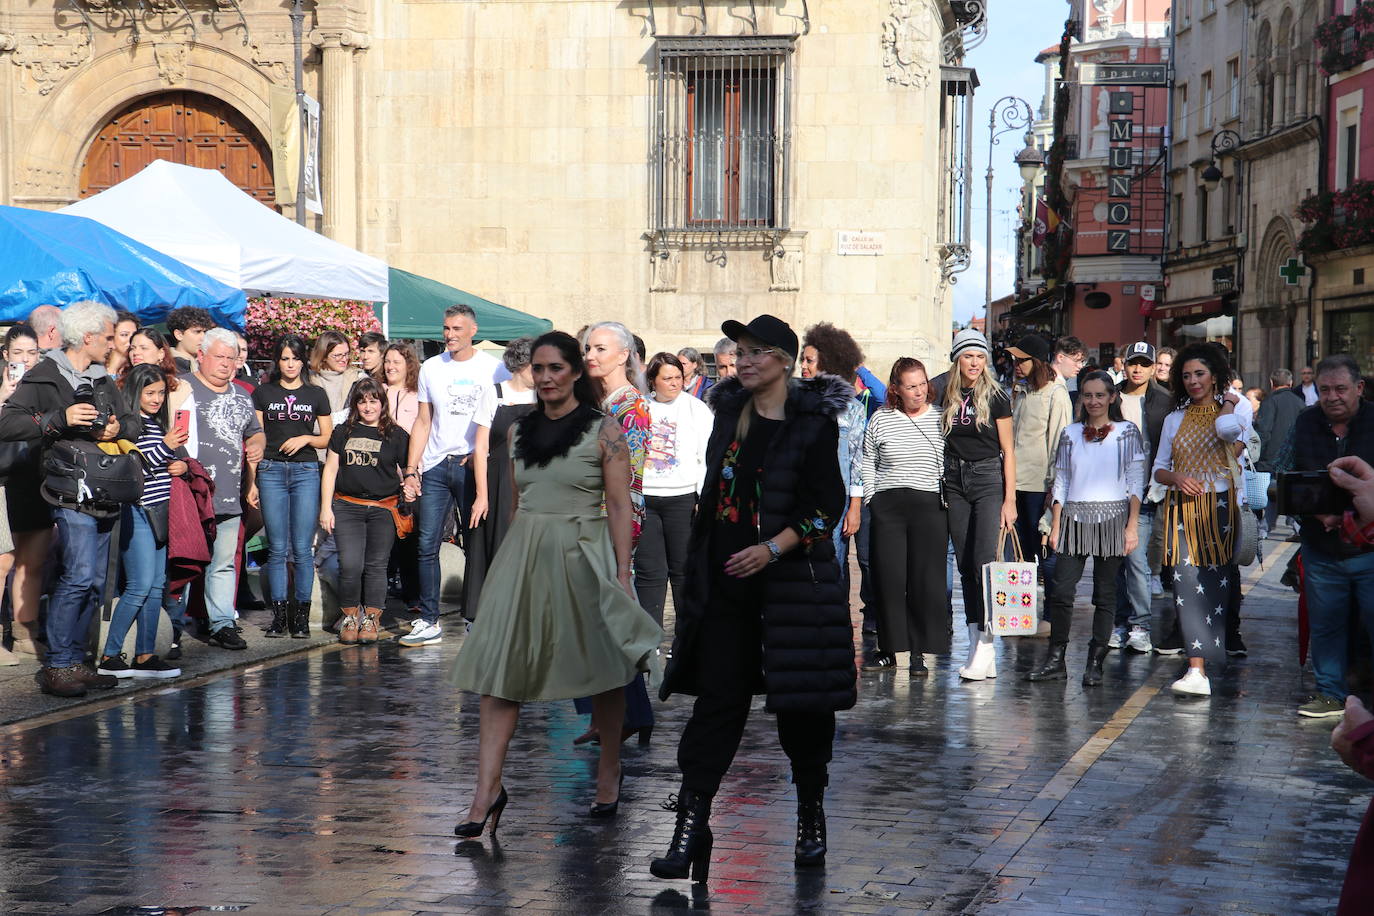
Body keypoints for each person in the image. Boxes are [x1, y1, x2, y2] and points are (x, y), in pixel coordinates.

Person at [654, 314, 852, 880]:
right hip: (727, 582)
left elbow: (825, 506)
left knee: (803, 709)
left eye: (758, 351)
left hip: (794, 585)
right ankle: (690, 827)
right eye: (740, 350)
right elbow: (716, 492)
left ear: (786, 361)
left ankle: (810, 811)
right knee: (717, 703)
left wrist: (773, 547)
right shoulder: (726, 414)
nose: (744, 360)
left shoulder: (814, 423)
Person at [448, 331, 661, 835]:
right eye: (538, 369)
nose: (545, 378)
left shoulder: (605, 429)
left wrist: (623, 572)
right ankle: (487, 792)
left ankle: (609, 771)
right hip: (524, 555)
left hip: (585, 553)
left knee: (602, 668)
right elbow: (520, 502)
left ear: (574, 372)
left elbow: (618, 504)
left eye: (556, 368)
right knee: (498, 673)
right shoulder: (517, 431)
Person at [0, 301, 139, 696]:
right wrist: (57, 419)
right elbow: (8, 423)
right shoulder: (45, 375)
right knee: (78, 574)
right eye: (110, 337)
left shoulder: (103, 378)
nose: (115, 345)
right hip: (65, 489)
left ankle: (76, 660)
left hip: (104, 488)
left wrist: (115, 427)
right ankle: (57, 665)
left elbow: (133, 420)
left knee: (95, 580)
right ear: (89, 337)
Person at [1028, 372, 1145, 686]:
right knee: (1062, 591)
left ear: (1111, 397)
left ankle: (1095, 662)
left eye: (1100, 395)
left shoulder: (1126, 432)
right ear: (1081, 398)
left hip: (1113, 516)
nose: (1093, 401)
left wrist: (1131, 526)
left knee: (1105, 595)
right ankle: (1056, 660)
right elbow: (1062, 481)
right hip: (1073, 518)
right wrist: (1054, 523)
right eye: (1088, 395)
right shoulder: (1070, 433)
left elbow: (1136, 482)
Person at [1151, 342, 1252, 697]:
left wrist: (1227, 400)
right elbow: (1159, 469)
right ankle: (1196, 669)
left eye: (1200, 374)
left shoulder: (1236, 414)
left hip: (1220, 508)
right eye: (1186, 375)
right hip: (1181, 508)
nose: (1193, 381)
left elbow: (1227, 432)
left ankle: (1208, 659)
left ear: (1215, 377)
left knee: (1215, 584)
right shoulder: (1173, 419)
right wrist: (1177, 478)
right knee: (1184, 585)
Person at [1276, 355, 1374, 717]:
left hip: (1370, 548)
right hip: (1321, 548)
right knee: (1326, 625)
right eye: (1324, 390)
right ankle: (1329, 694)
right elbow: (1281, 477)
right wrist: (1316, 511)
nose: (1332, 397)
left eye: (1340, 389)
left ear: (1359, 388)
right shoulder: (1305, 422)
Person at [401, 304, 503, 647]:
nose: (449, 335)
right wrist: (412, 469)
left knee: (477, 544)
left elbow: (503, 418)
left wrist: (483, 453)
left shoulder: (493, 368)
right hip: (435, 464)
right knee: (426, 543)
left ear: (473, 330)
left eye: (457, 329)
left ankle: (477, 616)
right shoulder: (431, 367)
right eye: (446, 328)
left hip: (472, 465)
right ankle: (429, 619)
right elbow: (423, 421)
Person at [575, 321, 654, 745]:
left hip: (613, 518)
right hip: (594, 516)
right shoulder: (601, 403)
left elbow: (626, 476)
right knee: (599, 622)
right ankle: (621, 713)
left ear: (624, 354)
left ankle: (623, 713)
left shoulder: (631, 406)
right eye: (588, 347)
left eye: (600, 348)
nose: (591, 354)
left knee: (607, 621)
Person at [96, 363, 186, 679]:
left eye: (161, 392)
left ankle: (145, 655)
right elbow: (138, 467)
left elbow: (163, 463)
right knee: (139, 585)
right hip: (137, 510)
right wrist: (167, 447)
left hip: (160, 511)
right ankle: (109, 656)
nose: (156, 398)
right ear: (136, 392)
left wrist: (181, 466)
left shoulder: (159, 424)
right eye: (150, 392)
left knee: (156, 585)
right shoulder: (130, 425)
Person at [861, 357, 948, 674]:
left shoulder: (940, 418)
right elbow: (868, 460)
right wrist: (872, 498)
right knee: (889, 578)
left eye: (923, 384)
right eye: (911, 387)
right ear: (896, 389)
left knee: (927, 581)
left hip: (929, 505)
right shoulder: (881, 420)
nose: (919, 392)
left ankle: (920, 653)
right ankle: (887, 649)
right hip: (888, 506)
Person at [182, 328, 266, 650]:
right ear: (201, 356)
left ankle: (221, 623)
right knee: (185, 559)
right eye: (220, 356)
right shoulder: (182, 388)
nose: (226, 364)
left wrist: (256, 445)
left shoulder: (242, 394)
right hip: (191, 494)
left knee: (223, 562)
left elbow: (255, 432)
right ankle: (173, 625)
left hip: (230, 495)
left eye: (231, 358)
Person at [942, 329, 1015, 681]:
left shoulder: (998, 395)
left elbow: (1008, 451)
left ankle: (986, 645)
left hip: (988, 479)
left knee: (984, 563)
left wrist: (1010, 500)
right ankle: (978, 645)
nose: (974, 362)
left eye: (980, 356)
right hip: (954, 480)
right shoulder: (947, 392)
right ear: (958, 358)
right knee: (964, 565)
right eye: (968, 356)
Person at [251, 335, 332, 638]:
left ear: (303, 361)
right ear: (277, 361)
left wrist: (306, 438)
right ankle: (279, 617)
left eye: (295, 358)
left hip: (306, 471)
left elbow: (327, 437)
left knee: (302, 549)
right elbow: (255, 437)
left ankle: (300, 617)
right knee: (276, 548)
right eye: (285, 358)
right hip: (270, 470)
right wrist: (252, 480)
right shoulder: (262, 393)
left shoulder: (316, 394)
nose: (290, 364)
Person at [320, 378, 409, 645]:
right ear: (355, 404)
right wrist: (325, 508)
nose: (368, 406)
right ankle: (349, 616)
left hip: (383, 508)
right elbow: (331, 470)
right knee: (350, 565)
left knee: (376, 566)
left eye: (373, 400)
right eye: (362, 401)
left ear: (382, 403)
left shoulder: (397, 435)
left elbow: (410, 471)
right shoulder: (342, 432)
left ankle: (371, 618)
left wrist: (412, 485)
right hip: (347, 507)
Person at [799, 322, 875, 634]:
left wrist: (854, 507)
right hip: (798, 499)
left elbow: (858, 461)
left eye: (809, 360)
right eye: (802, 360)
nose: (802, 366)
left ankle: (832, 628)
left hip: (835, 500)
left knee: (832, 563)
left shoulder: (852, 409)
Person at [461, 337, 538, 618]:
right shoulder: (494, 393)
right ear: (520, 365)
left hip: (533, 483)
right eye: (536, 367)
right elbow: (480, 448)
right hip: (499, 481)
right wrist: (482, 496)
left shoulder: (544, 397)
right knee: (496, 545)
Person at [639, 352, 713, 628]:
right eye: (667, 378)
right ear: (653, 381)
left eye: (678, 378)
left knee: (683, 570)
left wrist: (702, 497)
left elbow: (707, 456)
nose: (674, 383)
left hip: (682, 499)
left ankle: (688, 636)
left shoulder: (696, 409)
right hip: (647, 498)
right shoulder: (640, 408)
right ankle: (650, 638)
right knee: (649, 572)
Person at [1111, 340, 1174, 653]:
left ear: (1153, 368)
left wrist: (1160, 486)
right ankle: (1118, 622)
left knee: (1136, 561)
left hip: (1145, 494)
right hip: (1109, 493)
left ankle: (1140, 625)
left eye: (1144, 364)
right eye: (1132, 362)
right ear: (1123, 364)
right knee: (1112, 562)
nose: (1137, 369)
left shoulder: (1165, 400)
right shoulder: (1111, 396)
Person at [1005, 334, 1071, 578]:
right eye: (1015, 358)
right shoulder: (1021, 389)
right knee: (1020, 550)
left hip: (1040, 486)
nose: (1016, 363)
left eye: (1022, 359)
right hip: (1015, 482)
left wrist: (1054, 487)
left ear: (1037, 361)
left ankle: (1051, 613)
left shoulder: (1056, 393)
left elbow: (1060, 443)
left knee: (1044, 550)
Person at [0, 325, 47, 660]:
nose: (26, 359)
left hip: (37, 475)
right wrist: (4, 394)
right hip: (2, 479)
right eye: (18, 353)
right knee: (3, 560)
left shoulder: (44, 386)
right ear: (5, 355)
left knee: (33, 558)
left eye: (32, 353)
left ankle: (24, 632)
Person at [310, 330, 364, 420]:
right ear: (323, 356)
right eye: (338, 355)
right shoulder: (309, 380)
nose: (344, 359)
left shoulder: (358, 379)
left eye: (346, 354)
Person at [382, 342, 421, 434]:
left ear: (408, 365)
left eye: (396, 362)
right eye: (387, 362)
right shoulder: (376, 391)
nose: (390, 367)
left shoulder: (418, 395)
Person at [165, 306, 214, 374]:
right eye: (197, 332)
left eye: (205, 332)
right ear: (179, 335)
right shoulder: (167, 368)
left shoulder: (208, 364)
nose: (203, 337)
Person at [1051, 336, 1087, 403]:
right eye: (1076, 360)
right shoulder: (1056, 390)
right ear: (1060, 358)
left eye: (1082, 362)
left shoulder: (1045, 382)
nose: (1080, 366)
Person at [106, 310, 139, 376]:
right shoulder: (95, 369)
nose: (131, 339)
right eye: (124, 335)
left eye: (134, 334)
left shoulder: (138, 371)